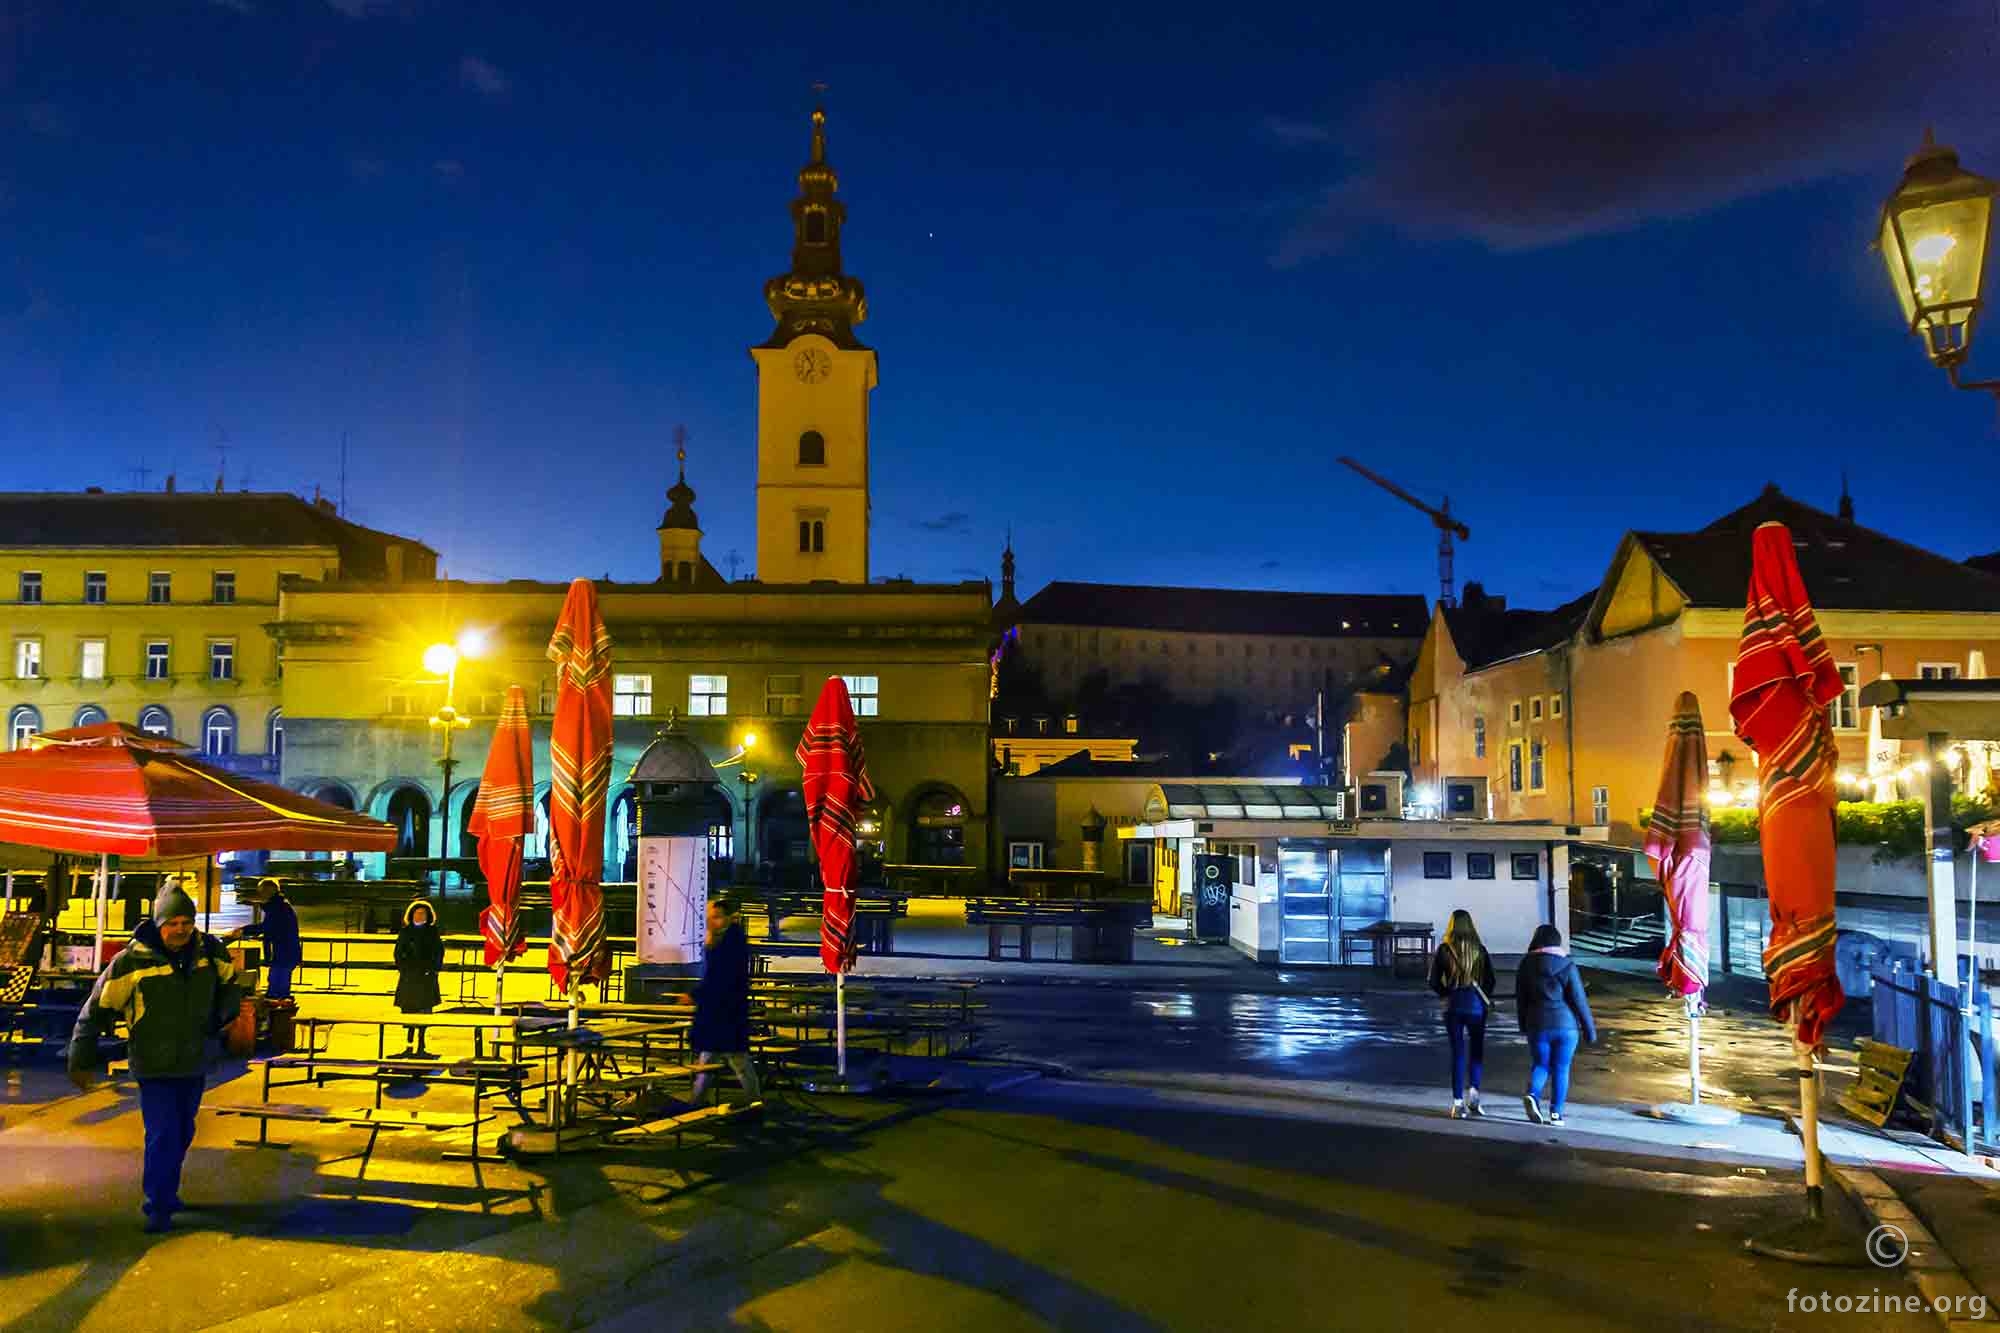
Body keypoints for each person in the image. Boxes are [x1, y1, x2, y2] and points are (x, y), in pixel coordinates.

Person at [67, 886, 246, 1232]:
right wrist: (81, 1056)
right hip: (153, 1063)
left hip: (194, 1059)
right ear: (158, 923)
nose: (181, 929)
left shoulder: (210, 952)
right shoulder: (131, 961)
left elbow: (230, 985)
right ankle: (158, 1204)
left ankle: (167, 1189)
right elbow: (98, 1008)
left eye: (186, 922)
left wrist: (223, 1015)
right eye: (173, 922)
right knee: (163, 1133)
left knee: (183, 1130)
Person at [1516, 924, 1598, 1126]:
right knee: (1561, 1068)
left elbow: (1521, 999)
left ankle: (1532, 1094)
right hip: (1566, 1025)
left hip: (1537, 1024)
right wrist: (1590, 1030)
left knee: (1541, 1064)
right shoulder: (1567, 964)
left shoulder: (1526, 965)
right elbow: (1579, 999)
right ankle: (1556, 1114)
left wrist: (1523, 1024)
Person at [689, 897, 762, 1105]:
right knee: (710, 1061)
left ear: (729, 918)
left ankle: (754, 1102)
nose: (711, 921)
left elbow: (718, 978)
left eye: (717, 917)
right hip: (721, 1013)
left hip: (726, 1013)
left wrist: (695, 995)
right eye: (710, 918)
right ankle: (697, 1102)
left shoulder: (729, 944)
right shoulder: (725, 940)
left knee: (737, 1061)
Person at [1427, 908, 1497, 1119]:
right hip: (1476, 1006)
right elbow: (1490, 981)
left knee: (1458, 1053)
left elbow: (1432, 981)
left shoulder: (1444, 950)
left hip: (1454, 1006)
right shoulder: (1480, 949)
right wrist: (1481, 995)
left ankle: (1458, 1104)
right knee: (1477, 1052)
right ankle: (1474, 1098)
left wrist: (1446, 993)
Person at [228, 881, 300, 1001]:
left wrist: (243, 930)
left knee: (277, 989)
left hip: (284, 952)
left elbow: (267, 927)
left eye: (262, 892)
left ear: (268, 892)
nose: (260, 895)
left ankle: (279, 1012)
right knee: (277, 984)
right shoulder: (279, 905)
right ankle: (279, 1008)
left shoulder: (277, 908)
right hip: (285, 952)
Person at [393, 899, 445, 1057]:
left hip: (426, 978)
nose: (420, 915)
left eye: (423, 913)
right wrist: (404, 968)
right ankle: (408, 1045)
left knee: (424, 1013)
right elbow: (398, 952)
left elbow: (439, 953)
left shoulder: (432, 931)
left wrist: (433, 970)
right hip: (409, 978)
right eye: (417, 913)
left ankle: (421, 1045)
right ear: (411, 915)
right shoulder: (405, 931)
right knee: (409, 1013)